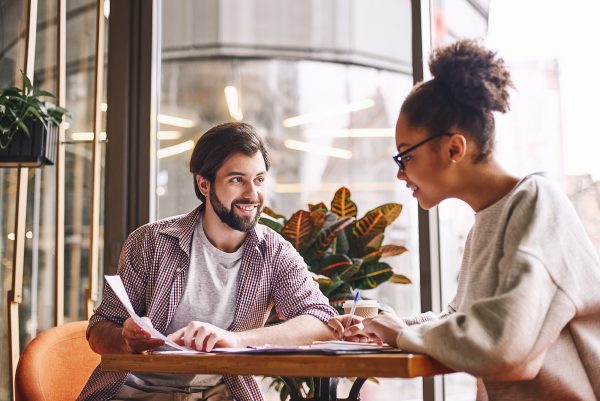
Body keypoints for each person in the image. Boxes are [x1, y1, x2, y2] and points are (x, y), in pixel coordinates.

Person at [329, 39, 600, 401]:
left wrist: (401, 334)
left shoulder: (536, 205)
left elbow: (504, 348)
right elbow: (463, 318)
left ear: (454, 148)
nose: (400, 174)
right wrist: (384, 323)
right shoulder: (491, 217)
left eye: (405, 157)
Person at [79, 122, 337, 401]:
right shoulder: (150, 241)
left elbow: (321, 320)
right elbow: (99, 331)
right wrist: (126, 339)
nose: (252, 194)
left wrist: (237, 341)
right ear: (204, 184)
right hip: (138, 391)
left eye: (259, 179)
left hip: (222, 393)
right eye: (237, 179)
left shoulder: (273, 252)